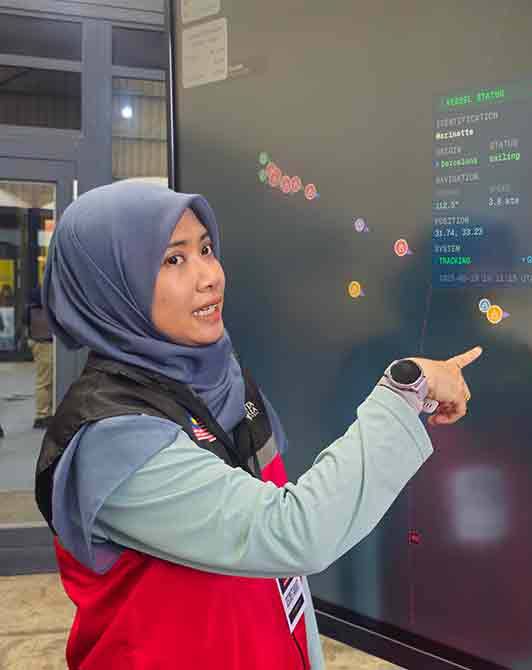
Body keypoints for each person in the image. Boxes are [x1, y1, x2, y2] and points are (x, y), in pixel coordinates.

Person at [33, 180, 481, 669]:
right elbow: (290, 531)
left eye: (206, 248)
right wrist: (403, 393)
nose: (209, 276)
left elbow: (282, 577)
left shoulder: (224, 381)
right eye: (172, 259)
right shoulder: (111, 437)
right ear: (109, 287)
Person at [26, 285, 53, 429]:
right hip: (44, 344)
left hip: (38, 342)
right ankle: (42, 415)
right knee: (44, 381)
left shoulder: (30, 309)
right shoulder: (41, 310)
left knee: (45, 380)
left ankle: (45, 412)